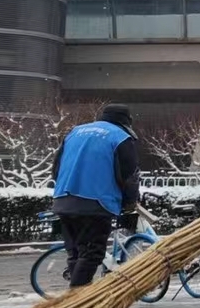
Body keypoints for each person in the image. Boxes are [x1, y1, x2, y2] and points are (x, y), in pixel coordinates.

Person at [51, 104, 140, 287]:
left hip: (63, 200)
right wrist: (130, 202)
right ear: (126, 121)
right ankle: (77, 299)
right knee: (92, 253)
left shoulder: (75, 132)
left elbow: (56, 169)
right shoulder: (121, 137)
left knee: (76, 253)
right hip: (96, 203)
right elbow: (129, 176)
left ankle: (78, 295)